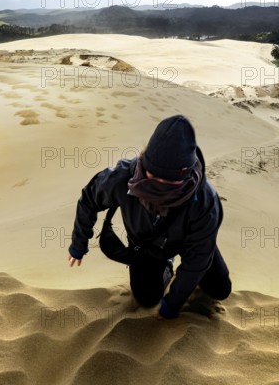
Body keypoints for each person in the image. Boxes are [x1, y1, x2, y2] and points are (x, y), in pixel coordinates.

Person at [67, 115, 232, 319]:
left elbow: (197, 260)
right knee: (146, 299)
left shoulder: (206, 201)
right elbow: (89, 199)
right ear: (144, 163)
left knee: (220, 289)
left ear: (186, 175)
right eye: (153, 176)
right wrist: (79, 244)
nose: (158, 186)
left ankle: (186, 274)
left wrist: (173, 303)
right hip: (146, 247)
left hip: (191, 243)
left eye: (168, 182)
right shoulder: (122, 177)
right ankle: (167, 266)